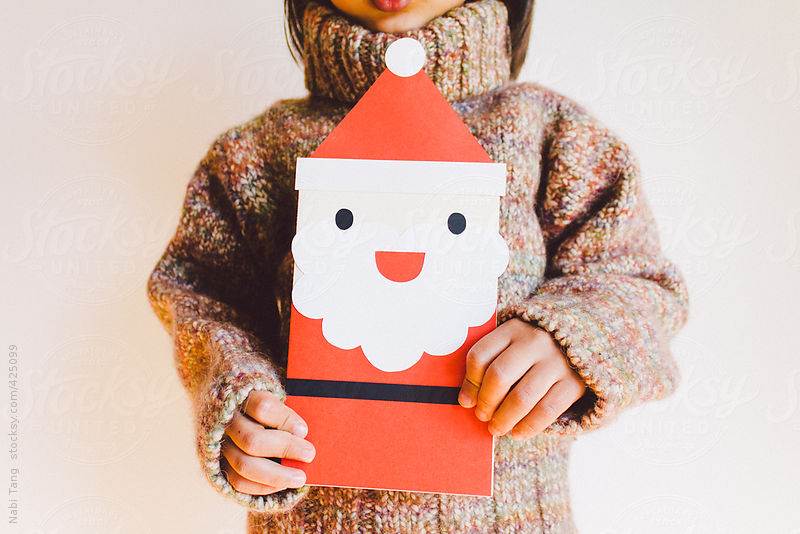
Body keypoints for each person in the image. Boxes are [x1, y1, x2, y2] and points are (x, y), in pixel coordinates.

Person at [146, 0, 690, 532]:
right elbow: (202, 296)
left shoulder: (551, 135)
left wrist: (575, 340)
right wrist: (236, 396)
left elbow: (641, 284)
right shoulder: (256, 154)